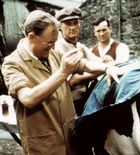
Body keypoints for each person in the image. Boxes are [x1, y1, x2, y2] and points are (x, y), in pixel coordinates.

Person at [1, 10, 122, 155]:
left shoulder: (52, 53)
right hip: (45, 146)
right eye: (50, 42)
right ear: (32, 37)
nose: (53, 47)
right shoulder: (12, 64)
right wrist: (63, 73)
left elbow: (81, 63)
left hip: (71, 139)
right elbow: (28, 98)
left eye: (54, 42)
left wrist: (106, 68)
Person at [55, 7, 106, 115]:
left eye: (75, 23)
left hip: (84, 98)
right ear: (60, 26)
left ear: (80, 25)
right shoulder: (58, 48)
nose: (72, 27)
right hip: (69, 103)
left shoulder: (80, 46)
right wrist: (103, 70)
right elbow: (74, 80)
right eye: (68, 24)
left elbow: (97, 62)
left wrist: (106, 61)